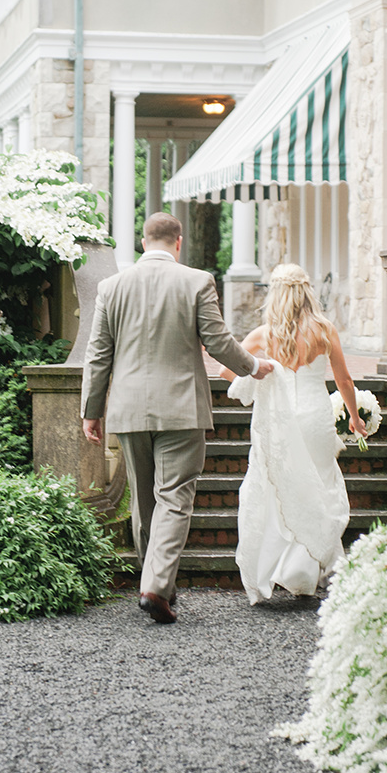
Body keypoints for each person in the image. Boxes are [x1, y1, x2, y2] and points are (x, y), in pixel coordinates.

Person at [81, 213, 273, 625]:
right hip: (182, 408)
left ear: (143, 242)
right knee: (174, 498)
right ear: (178, 242)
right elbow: (218, 341)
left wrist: (91, 411)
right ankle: (155, 585)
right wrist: (254, 366)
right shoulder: (197, 281)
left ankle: (158, 585)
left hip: (129, 409)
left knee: (145, 503)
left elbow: (97, 354)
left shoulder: (111, 287)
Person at [222, 263, 367, 605]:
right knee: (319, 486)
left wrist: (263, 376)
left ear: (276, 294)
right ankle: (304, 570)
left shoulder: (264, 334)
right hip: (316, 418)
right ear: (306, 293)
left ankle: (285, 568)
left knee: (280, 490)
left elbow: (226, 370)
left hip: (281, 421)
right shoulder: (325, 330)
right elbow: (344, 380)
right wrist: (354, 417)